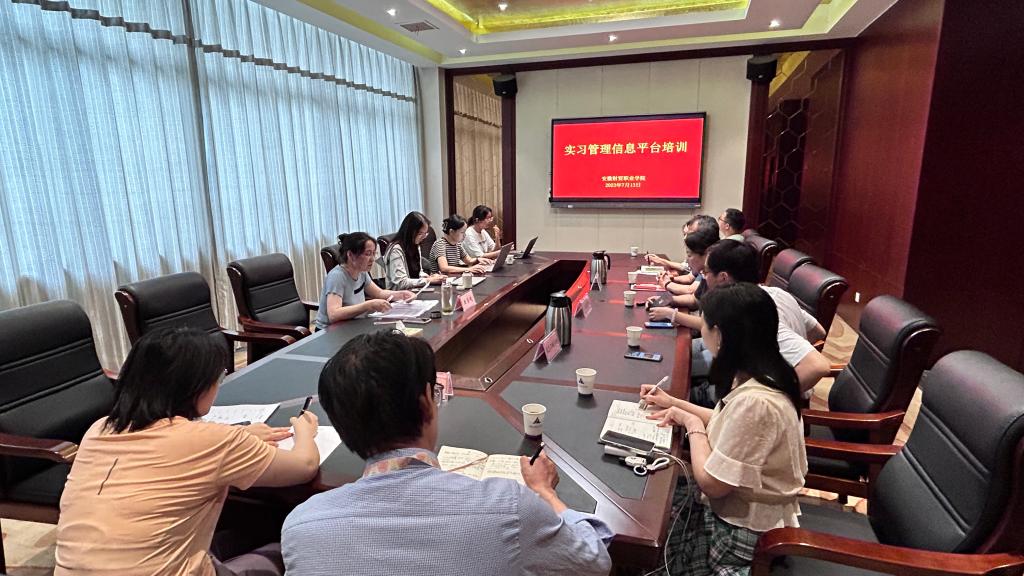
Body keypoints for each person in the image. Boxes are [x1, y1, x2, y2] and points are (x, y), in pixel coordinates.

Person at [281, 331, 613, 575]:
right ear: (427, 402)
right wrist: (545, 492)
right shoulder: (509, 509)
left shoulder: (300, 527)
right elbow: (594, 560)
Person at [55, 327, 320, 576]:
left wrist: (240, 435)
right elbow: (305, 465)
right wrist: (304, 431)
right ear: (196, 387)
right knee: (288, 544)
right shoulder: (216, 442)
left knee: (241, 530)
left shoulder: (99, 428)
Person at [640, 283, 807, 575]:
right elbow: (725, 420)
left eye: (703, 324)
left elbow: (713, 485)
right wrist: (674, 403)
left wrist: (692, 424)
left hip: (742, 534)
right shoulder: (767, 373)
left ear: (718, 334)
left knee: (650, 532)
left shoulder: (756, 403)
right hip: (740, 511)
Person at [649, 240, 831, 394]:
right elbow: (818, 331)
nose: (703, 278)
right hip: (746, 376)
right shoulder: (773, 292)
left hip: (753, 396)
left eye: (706, 272)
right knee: (673, 358)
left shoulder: (754, 314)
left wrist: (769, 398)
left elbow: (817, 366)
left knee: (673, 375)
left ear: (723, 277)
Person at [314, 232, 416, 329]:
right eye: (368, 254)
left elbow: (379, 293)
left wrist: (401, 294)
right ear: (350, 255)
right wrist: (368, 305)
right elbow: (334, 314)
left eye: (374, 254)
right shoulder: (337, 276)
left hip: (352, 324)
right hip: (331, 330)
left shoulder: (361, 272)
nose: (372, 259)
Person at [384, 211, 446, 290]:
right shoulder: (396, 250)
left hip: (413, 291)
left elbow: (418, 273)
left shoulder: (415, 246)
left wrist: (430, 277)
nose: (423, 237)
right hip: (398, 294)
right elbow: (401, 283)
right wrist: (428, 280)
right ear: (409, 232)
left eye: (425, 233)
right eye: (420, 234)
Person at [645, 214, 718, 280]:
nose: (685, 238)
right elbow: (686, 268)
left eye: (689, 234)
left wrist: (667, 283)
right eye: (684, 234)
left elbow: (691, 283)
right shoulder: (700, 256)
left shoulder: (712, 262)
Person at [426, 214, 492, 275]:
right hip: (440, 280)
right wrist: (469, 269)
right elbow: (444, 268)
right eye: (462, 232)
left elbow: (468, 261)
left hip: (452, 277)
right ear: (451, 231)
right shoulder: (440, 244)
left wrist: (478, 259)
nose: (464, 235)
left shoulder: (457, 244)